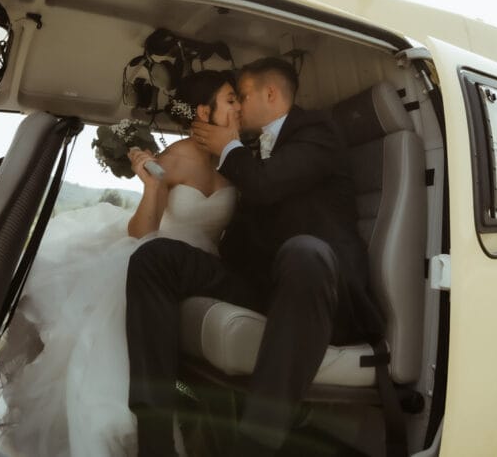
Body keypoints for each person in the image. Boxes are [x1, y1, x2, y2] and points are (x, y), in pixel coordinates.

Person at [126, 57, 381, 456]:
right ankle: (155, 440)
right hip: (261, 284)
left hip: (317, 291)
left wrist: (226, 147)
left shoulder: (317, 133)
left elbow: (266, 186)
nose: (239, 107)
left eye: (241, 96)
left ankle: (255, 444)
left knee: (306, 251)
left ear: (271, 94)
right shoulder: (250, 149)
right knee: (153, 258)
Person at [0, 70, 240, 457]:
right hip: (157, 261)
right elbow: (142, 233)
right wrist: (152, 186)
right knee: (110, 330)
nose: (238, 106)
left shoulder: (233, 161)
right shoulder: (174, 158)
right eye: (230, 99)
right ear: (204, 110)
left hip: (202, 269)